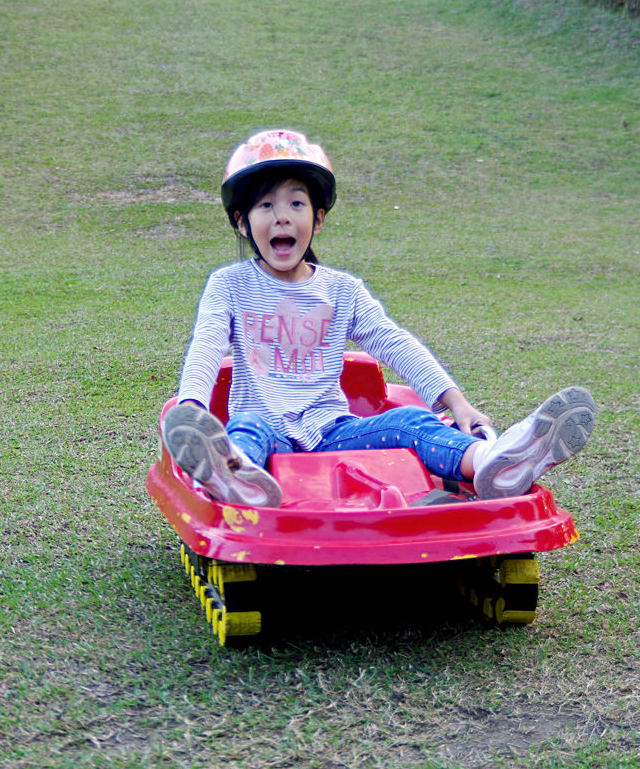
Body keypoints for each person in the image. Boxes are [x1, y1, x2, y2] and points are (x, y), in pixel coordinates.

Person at [162, 128, 597, 508]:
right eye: (264, 206)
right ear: (242, 223)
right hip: (262, 427)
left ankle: (493, 461)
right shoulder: (230, 284)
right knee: (245, 434)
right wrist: (192, 407)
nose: (281, 216)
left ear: (318, 218)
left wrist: (457, 404)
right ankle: (233, 472)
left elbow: (394, 342)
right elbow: (208, 344)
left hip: (330, 431)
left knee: (412, 424)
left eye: (296, 203)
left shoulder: (342, 290)